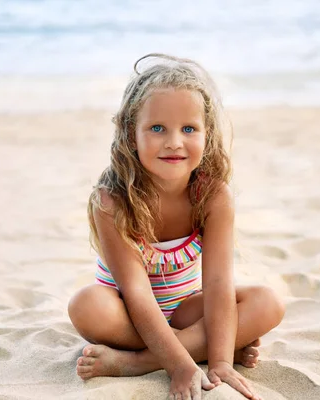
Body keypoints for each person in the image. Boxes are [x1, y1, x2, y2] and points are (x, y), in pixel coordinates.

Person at [68, 53, 284, 400]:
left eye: (188, 129)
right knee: (86, 305)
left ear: (206, 132)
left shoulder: (213, 196)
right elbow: (137, 294)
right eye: (157, 128)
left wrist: (221, 360)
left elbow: (216, 284)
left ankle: (138, 363)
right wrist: (183, 366)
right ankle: (187, 350)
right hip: (126, 315)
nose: (174, 142)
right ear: (130, 132)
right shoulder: (111, 201)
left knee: (268, 301)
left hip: (185, 311)